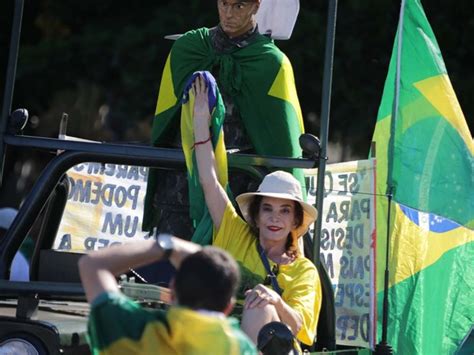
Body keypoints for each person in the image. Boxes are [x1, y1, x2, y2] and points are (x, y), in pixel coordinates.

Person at [143, 0, 306, 234]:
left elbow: (283, 143)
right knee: (171, 267)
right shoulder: (188, 49)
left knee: (228, 270)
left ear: (256, 6)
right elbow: (165, 123)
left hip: (239, 197)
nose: (228, 13)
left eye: (238, 6)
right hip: (179, 192)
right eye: (223, 4)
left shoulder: (271, 63)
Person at [191, 75, 322, 347]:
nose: (275, 217)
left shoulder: (303, 271)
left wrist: (276, 301)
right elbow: (208, 181)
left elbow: (301, 327)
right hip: (221, 343)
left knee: (261, 307)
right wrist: (201, 122)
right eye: (268, 209)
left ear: (295, 220)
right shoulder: (235, 233)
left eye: (285, 211)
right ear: (256, 215)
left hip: (276, 348)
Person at [78, 235, 257, 354]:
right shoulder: (240, 348)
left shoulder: (132, 329)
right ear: (229, 307)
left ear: (171, 291)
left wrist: (169, 245)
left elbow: (92, 265)